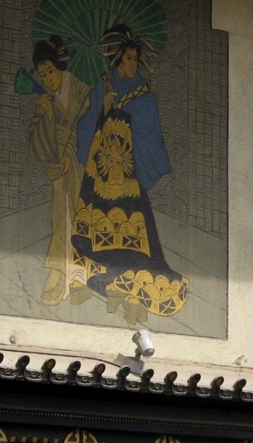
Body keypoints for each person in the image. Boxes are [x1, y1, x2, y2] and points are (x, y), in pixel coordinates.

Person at [69, 25, 188, 320]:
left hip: (128, 170)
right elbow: (88, 122)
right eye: (129, 58)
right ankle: (101, 276)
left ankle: (128, 282)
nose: (133, 63)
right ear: (119, 57)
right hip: (102, 168)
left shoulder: (143, 93)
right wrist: (104, 107)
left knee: (133, 225)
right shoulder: (104, 83)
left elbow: (149, 128)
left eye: (136, 58)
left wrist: (125, 112)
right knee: (98, 222)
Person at [27, 36, 91, 306]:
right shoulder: (46, 100)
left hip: (83, 168)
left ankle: (80, 279)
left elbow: (88, 128)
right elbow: (36, 146)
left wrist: (70, 153)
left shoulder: (83, 92)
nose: (48, 79)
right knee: (60, 219)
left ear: (60, 66)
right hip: (60, 172)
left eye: (50, 71)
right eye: (43, 75)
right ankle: (59, 271)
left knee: (81, 219)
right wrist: (47, 116)